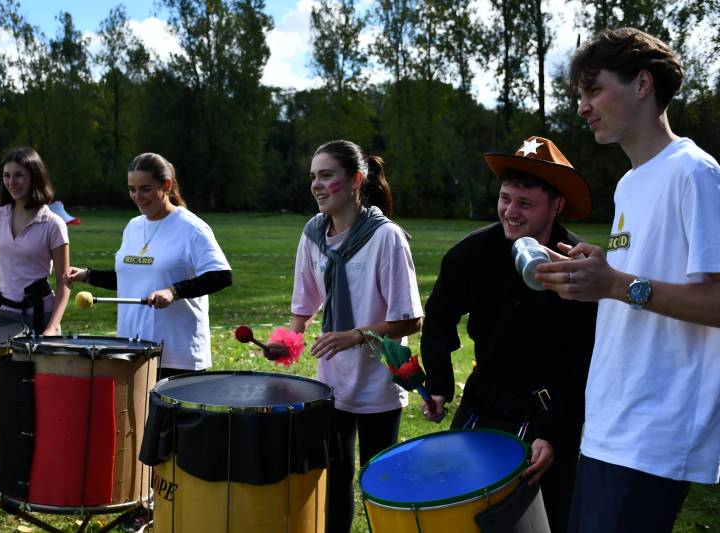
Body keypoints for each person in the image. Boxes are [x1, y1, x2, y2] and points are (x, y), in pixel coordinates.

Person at [534, 28, 720, 533]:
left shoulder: (694, 173)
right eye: (580, 94)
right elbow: (635, 275)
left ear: (642, 84)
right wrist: (594, 270)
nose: (582, 107)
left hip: (655, 434)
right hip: (608, 423)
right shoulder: (630, 182)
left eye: (593, 90)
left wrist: (616, 285)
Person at [420, 136, 598, 533]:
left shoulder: (579, 267)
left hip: (549, 414)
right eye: (505, 199)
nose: (510, 212)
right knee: (461, 512)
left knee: (543, 520)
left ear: (556, 205)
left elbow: (581, 360)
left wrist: (555, 435)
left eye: (525, 203)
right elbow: (438, 317)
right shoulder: (471, 255)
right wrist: (439, 382)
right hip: (485, 401)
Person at [266, 140, 423, 533]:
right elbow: (304, 309)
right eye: (313, 177)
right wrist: (287, 341)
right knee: (333, 480)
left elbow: (409, 320)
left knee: (379, 484)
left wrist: (354, 335)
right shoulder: (313, 234)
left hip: (379, 380)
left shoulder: (387, 238)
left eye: (327, 176)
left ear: (355, 180)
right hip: (331, 382)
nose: (317, 186)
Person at [67, 152, 232, 378]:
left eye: (146, 189)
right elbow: (132, 279)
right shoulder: (133, 226)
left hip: (177, 355)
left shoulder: (191, 228)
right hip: (132, 349)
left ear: (166, 185)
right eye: (132, 189)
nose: (137, 196)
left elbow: (221, 276)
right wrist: (88, 275)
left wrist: (174, 291)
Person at [0, 147, 70, 336]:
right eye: (7, 176)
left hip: (40, 315)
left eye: (19, 175)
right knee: (4, 366)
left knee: (38, 367)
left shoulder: (53, 224)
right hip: (2, 312)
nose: (12, 182)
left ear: (35, 177)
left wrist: (52, 327)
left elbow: (63, 281)